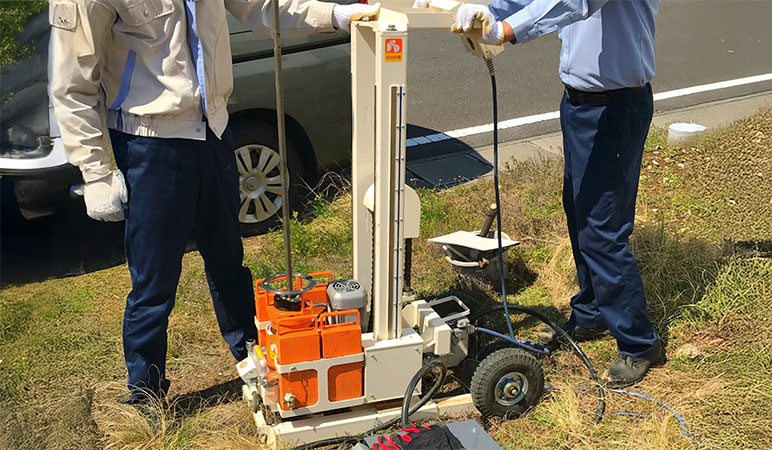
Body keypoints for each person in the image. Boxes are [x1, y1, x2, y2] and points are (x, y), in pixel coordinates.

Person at [49, 0, 379, 404]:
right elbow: (72, 84)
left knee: (228, 262)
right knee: (154, 282)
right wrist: (95, 171)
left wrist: (334, 15)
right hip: (150, 143)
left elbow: (264, 6)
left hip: (214, 131)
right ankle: (145, 393)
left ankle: (258, 365)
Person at [430, 0, 665, 387]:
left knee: (602, 226)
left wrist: (506, 30)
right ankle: (591, 313)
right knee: (578, 209)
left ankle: (639, 343)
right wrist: (482, 7)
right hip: (580, 102)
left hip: (615, 107)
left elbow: (573, 2)